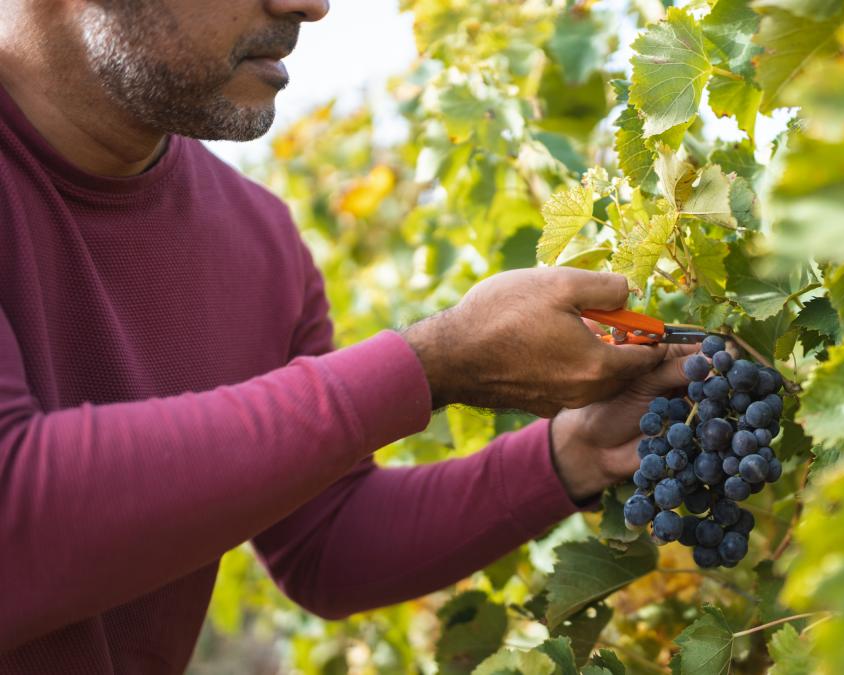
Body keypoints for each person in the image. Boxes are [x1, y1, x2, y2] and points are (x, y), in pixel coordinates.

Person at [0, 1, 692, 671]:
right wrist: (431, 365)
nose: (311, 6)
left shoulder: (258, 239)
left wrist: (573, 453)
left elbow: (325, 542)